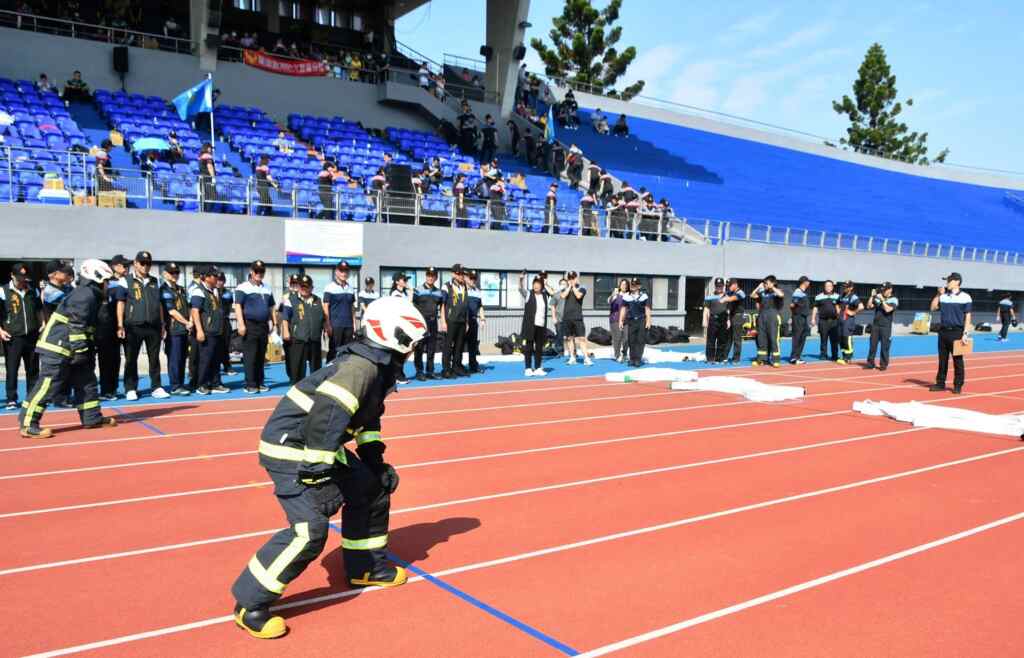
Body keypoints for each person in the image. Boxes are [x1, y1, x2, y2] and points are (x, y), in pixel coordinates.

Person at [230, 296, 426, 639]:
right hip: (291, 448)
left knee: (373, 488)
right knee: (311, 529)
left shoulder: (377, 367)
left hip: (319, 445)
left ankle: (366, 567)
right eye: (412, 343)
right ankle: (249, 603)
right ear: (395, 337)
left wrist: (373, 460)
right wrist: (317, 470)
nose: (414, 351)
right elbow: (328, 414)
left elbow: (367, 416)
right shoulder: (361, 367)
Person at [18, 260, 118, 439]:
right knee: (48, 386)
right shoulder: (85, 295)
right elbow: (77, 324)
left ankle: (92, 418)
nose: (108, 285)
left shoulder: (90, 295)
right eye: (106, 281)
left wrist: (86, 350)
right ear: (97, 278)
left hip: (72, 347)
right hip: (58, 347)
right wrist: (80, 351)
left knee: (87, 383)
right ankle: (28, 424)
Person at [119, 251, 169, 400]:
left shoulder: (156, 281)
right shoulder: (125, 281)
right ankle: (130, 388)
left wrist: (162, 324)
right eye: (142, 263)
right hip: (133, 326)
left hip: (153, 326)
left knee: (154, 358)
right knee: (131, 358)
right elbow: (120, 304)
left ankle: (157, 387)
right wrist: (120, 325)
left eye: (148, 263)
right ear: (135, 263)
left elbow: (160, 304)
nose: (145, 266)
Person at [1, 263, 43, 410]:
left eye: (24, 277)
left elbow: (39, 309)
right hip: (13, 337)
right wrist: (0, 330)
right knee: (12, 369)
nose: (22, 280)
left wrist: (42, 323)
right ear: (12, 276)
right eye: (19, 277)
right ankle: (11, 398)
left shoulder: (32, 290)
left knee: (33, 368)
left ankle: (32, 397)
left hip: (32, 335)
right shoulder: (3, 291)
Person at [235, 260, 277, 394]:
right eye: (257, 271)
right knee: (250, 355)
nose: (259, 274)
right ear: (251, 272)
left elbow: (271, 307)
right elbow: (238, 306)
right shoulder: (242, 287)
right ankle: (250, 384)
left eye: (262, 271)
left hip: (263, 326)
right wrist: (241, 324)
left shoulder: (267, 288)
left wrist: (274, 323)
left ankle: (260, 382)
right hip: (250, 325)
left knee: (260, 355)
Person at [929, 273, 972, 394]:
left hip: (957, 332)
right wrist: (938, 294)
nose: (947, 283)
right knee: (942, 360)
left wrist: (965, 333)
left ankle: (958, 385)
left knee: (957, 360)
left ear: (957, 282)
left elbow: (968, 317)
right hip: (943, 331)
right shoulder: (943, 296)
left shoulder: (966, 297)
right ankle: (940, 383)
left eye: (949, 280)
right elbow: (932, 308)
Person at [190, 266, 229, 395]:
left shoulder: (216, 291)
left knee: (216, 359)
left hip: (217, 331)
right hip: (207, 332)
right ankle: (202, 384)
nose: (216, 278)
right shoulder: (198, 291)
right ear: (206, 277)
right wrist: (199, 331)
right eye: (214, 276)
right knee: (205, 360)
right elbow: (195, 311)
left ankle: (215, 383)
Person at [281, 274, 325, 383]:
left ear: (311, 288)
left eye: (307, 286)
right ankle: (297, 387)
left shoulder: (318, 300)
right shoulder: (291, 300)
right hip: (298, 339)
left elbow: (323, 317)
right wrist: (285, 331)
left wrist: (326, 327)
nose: (304, 289)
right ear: (299, 287)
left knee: (316, 368)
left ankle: (314, 387)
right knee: (298, 369)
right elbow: (285, 318)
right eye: (302, 286)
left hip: (314, 339)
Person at [160, 262, 192, 396]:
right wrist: (187, 322)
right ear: (165, 274)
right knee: (174, 358)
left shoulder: (181, 289)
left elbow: (188, 307)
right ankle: (175, 385)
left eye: (177, 273)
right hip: (173, 329)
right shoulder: (164, 290)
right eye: (171, 273)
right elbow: (171, 311)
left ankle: (181, 383)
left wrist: (190, 321)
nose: (174, 275)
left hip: (184, 328)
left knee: (182, 357)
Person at [412, 267, 443, 380]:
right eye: (428, 275)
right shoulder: (418, 290)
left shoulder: (439, 292)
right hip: (421, 323)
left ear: (436, 278)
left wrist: (443, 321)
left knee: (431, 348)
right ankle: (419, 371)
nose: (430, 277)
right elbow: (412, 307)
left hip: (433, 322)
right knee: (419, 348)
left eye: (432, 275)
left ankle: (430, 371)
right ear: (426, 276)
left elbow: (442, 307)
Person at [323, 261, 357, 362]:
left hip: (348, 326)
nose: (344, 273)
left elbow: (352, 307)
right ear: (336, 272)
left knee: (347, 351)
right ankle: (329, 374)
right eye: (341, 271)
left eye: (346, 271)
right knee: (334, 351)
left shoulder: (351, 289)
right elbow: (325, 307)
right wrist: (328, 325)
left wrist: (354, 324)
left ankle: (344, 374)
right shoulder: (329, 287)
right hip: (335, 325)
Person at [440, 264, 470, 378]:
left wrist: (466, 322)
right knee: (448, 345)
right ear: (453, 274)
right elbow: (442, 305)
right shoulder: (446, 286)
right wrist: (443, 321)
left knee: (459, 345)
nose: (462, 275)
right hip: (450, 320)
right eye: (459, 273)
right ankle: (446, 369)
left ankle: (456, 366)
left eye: (463, 273)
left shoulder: (464, 287)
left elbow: (465, 306)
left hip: (462, 321)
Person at [519, 274, 552, 376]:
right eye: (534, 284)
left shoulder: (544, 295)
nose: (536, 286)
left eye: (538, 284)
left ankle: (538, 368)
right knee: (528, 347)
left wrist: (546, 284)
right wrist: (521, 279)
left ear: (541, 286)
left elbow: (553, 293)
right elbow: (521, 289)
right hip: (530, 325)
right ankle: (528, 368)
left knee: (539, 348)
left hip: (541, 325)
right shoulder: (529, 294)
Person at [751, 275, 784, 367]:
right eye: (764, 283)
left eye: (767, 283)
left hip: (773, 316)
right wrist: (759, 287)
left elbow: (781, 295)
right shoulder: (763, 292)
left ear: (773, 283)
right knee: (761, 339)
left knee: (773, 339)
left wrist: (772, 287)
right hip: (762, 316)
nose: (765, 284)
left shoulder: (777, 291)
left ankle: (776, 360)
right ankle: (761, 359)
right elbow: (752, 295)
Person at [560, 271, 592, 365]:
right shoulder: (565, 288)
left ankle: (586, 358)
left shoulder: (582, 288)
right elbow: (562, 296)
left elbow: (578, 296)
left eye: (573, 278)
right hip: (567, 317)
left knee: (581, 338)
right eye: (570, 278)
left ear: (576, 278)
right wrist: (569, 286)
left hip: (577, 317)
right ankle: (572, 357)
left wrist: (573, 286)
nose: (571, 280)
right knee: (569, 338)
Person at [619, 278, 652, 367]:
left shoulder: (644, 296)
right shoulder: (626, 296)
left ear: (639, 286)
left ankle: (638, 359)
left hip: (641, 320)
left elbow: (647, 309)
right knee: (631, 340)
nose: (632, 286)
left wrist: (648, 321)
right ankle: (632, 359)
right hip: (631, 321)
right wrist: (621, 321)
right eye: (631, 284)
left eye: (635, 285)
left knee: (640, 340)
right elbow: (623, 309)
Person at [865, 282, 898, 371]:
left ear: (890, 290)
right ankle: (870, 363)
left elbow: (888, 309)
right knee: (872, 345)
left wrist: (882, 300)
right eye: (882, 290)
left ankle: (883, 365)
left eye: (885, 290)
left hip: (886, 326)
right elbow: (869, 306)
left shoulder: (894, 299)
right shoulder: (879, 298)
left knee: (885, 347)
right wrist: (872, 296)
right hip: (876, 325)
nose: (883, 292)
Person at [812, 280, 840, 362]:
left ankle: (835, 356)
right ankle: (823, 355)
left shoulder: (837, 296)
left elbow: (839, 308)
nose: (828, 287)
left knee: (834, 340)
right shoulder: (818, 297)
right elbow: (815, 308)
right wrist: (813, 318)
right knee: (823, 339)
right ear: (824, 287)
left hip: (834, 321)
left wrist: (839, 316)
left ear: (832, 287)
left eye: (830, 286)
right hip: (823, 321)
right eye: (826, 286)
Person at [836, 281, 863, 365]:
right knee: (841, 339)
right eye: (844, 286)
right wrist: (838, 311)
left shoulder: (853, 297)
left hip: (848, 321)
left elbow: (861, 306)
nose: (844, 288)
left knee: (847, 339)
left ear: (851, 288)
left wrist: (853, 312)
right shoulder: (842, 295)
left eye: (846, 287)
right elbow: (837, 303)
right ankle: (844, 356)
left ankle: (848, 358)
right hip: (840, 320)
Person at [703, 277, 729, 364]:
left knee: (722, 340)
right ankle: (710, 358)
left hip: (723, 320)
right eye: (717, 286)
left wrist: (728, 320)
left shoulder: (727, 296)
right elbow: (706, 309)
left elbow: (729, 310)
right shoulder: (710, 296)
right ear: (715, 286)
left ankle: (719, 358)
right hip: (713, 320)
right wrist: (705, 320)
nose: (719, 288)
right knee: (711, 340)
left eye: (721, 286)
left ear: (723, 286)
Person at [721, 278, 746, 365]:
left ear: (735, 284)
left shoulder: (741, 292)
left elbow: (732, 299)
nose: (729, 287)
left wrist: (725, 299)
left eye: (730, 285)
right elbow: (722, 297)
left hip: (738, 317)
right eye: (728, 285)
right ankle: (725, 357)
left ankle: (736, 359)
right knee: (729, 338)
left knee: (737, 339)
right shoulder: (729, 292)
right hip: (731, 317)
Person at [465, 270, 485, 373]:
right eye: (471, 278)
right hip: (463, 322)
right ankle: (456, 366)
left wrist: (482, 319)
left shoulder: (478, 291)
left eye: (474, 278)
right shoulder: (462, 289)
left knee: (473, 346)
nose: (473, 280)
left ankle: (473, 365)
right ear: (466, 278)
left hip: (473, 321)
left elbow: (480, 306)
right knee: (458, 346)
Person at [788, 276, 812, 365]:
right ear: (804, 282)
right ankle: (794, 357)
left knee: (803, 335)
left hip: (803, 318)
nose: (809, 283)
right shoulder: (798, 292)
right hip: (798, 317)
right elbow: (792, 304)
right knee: (797, 337)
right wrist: (794, 315)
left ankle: (797, 356)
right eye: (808, 281)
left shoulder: (803, 293)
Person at [216, 273, 235, 377]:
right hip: (214, 323)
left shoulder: (228, 293)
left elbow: (230, 305)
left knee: (225, 345)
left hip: (225, 321)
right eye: (218, 280)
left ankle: (227, 366)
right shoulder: (212, 291)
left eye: (221, 280)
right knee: (216, 345)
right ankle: (216, 367)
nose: (219, 282)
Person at [608, 279, 630, 362]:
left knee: (627, 338)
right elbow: (609, 301)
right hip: (615, 319)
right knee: (617, 338)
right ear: (620, 286)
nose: (624, 286)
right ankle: (617, 355)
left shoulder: (629, 295)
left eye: (625, 284)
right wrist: (614, 294)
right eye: (622, 284)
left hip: (626, 320)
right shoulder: (616, 294)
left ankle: (624, 354)